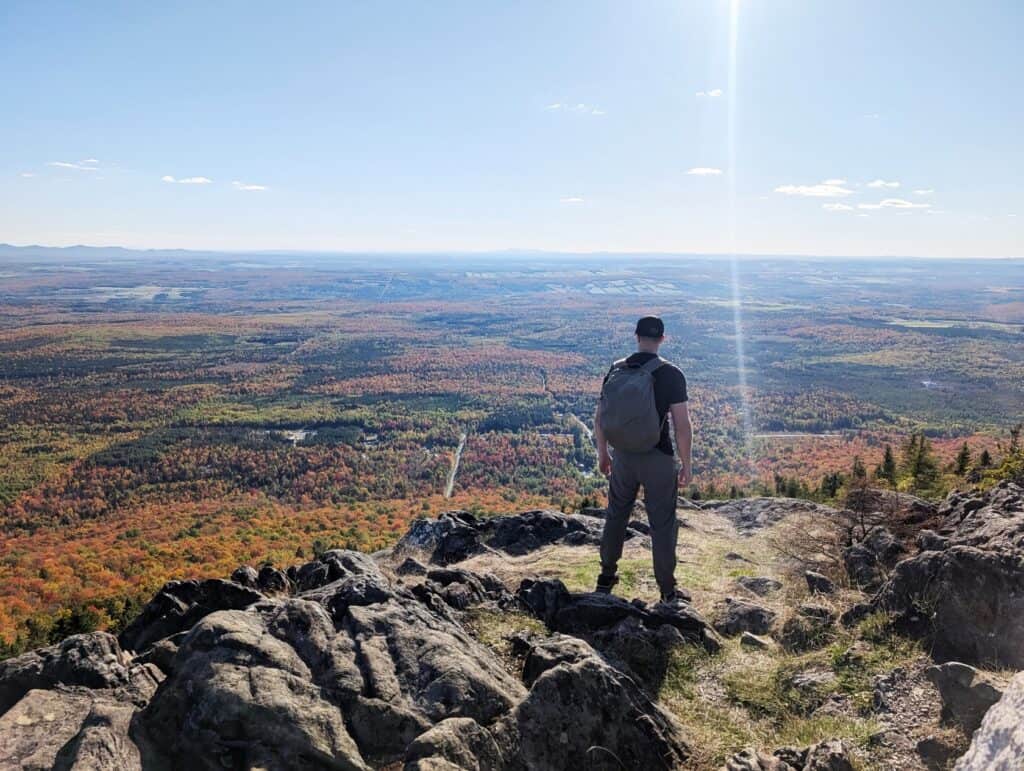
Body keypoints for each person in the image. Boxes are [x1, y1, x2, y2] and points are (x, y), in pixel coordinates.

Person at [593, 315, 692, 604]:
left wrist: (603, 453)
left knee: (616, 516)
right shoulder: (670, 374)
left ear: (636, 336)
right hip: (658, 458)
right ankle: (667, 590)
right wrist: (686, 464)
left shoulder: (617, 369)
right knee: (662, 524)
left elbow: (601, 417)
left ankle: (605, 577)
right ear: (662, 339)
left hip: (623, 456)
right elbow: (682, 425)